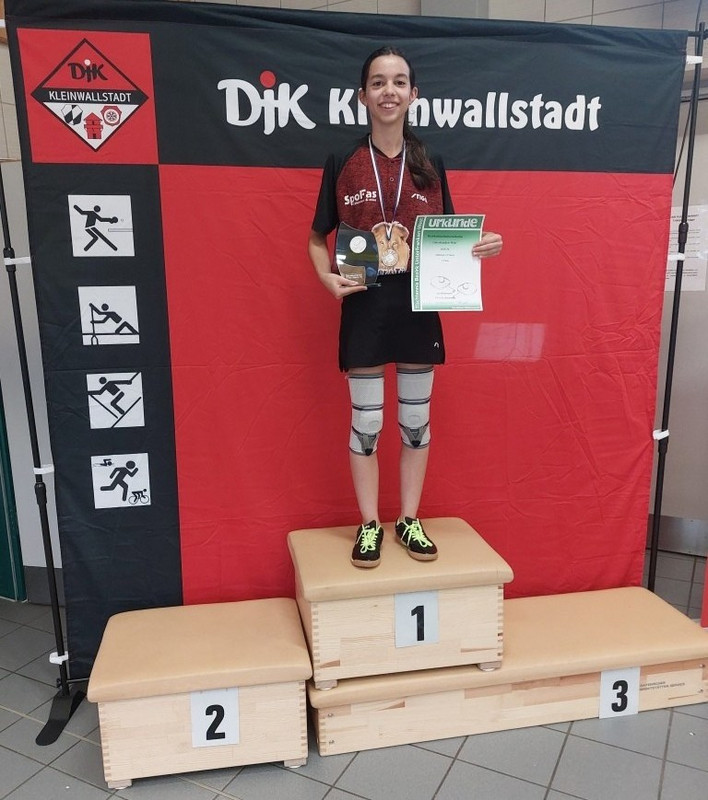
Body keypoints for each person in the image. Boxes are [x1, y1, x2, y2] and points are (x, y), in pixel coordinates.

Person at [308, 46, 502, 569]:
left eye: (398, 82)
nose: (388, 91)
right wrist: (326, 278)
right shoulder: (343, 161)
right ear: (363, 95)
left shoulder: (429, 162)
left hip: (418, 302)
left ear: (413, 94)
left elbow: (450, 237)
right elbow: (316, 237)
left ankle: (409, 519)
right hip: (364, 302)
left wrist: (482, 244)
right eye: (378, 82)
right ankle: (370, 524)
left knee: (416, 421)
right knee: (367, 424)